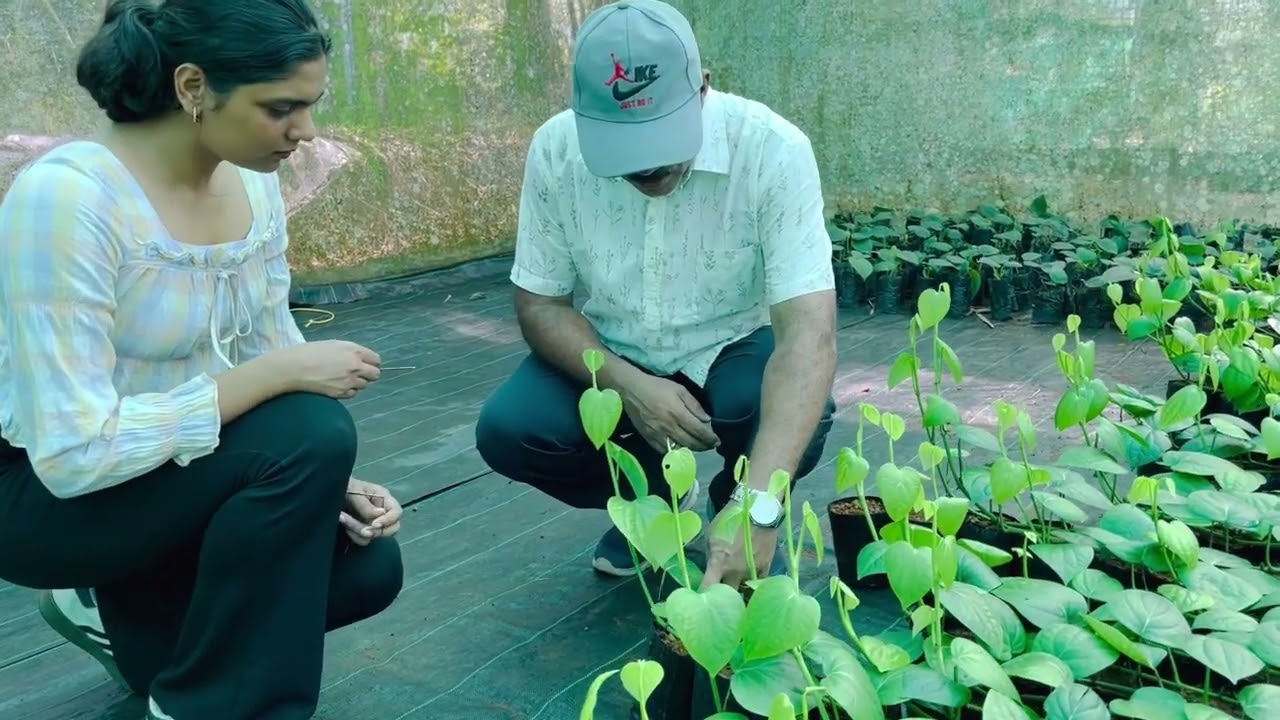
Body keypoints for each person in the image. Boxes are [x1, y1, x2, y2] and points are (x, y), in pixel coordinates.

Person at [0, 2, 404, 719]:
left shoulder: (252, 183)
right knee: (312, 432)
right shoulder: (67, 198)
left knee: (366, 567)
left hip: (160, 477)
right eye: (281, 107)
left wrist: (325, 484)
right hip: (43, 492)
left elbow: (267, 342)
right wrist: (279, 386)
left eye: (311, 106)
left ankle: (118, 612)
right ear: (192, 87)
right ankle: (200, 706)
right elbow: (71, 453)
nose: (305, 132)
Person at [474, 0, 837, 590]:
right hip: (617, 344)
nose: (646, 166)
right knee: (513, 429)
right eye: (623, 145)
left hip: (733, 343)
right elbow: (541, 303)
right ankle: (656, 502)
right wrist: (627, 385)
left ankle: (734, 507)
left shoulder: (772, 150)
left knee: (780, 405)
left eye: (660, 136)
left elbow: (808, 337)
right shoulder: (556, 149)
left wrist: (760, 506)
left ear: (702, 90)